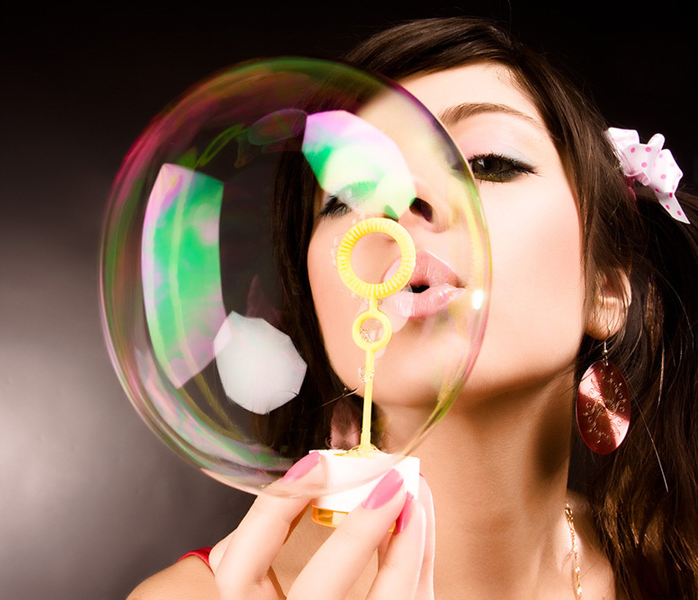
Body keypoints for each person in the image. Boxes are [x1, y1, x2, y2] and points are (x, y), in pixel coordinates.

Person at [128, 17, 698, 599]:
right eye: (348, 194)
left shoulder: (678, 567)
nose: (400, 202)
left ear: (606, 286)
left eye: (488, 163)